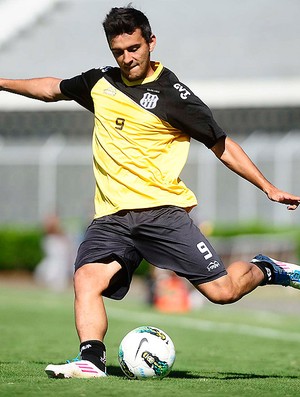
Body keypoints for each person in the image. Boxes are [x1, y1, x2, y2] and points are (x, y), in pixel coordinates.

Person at [1, 6, 300, 379]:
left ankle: (268, 268)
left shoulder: (175, 97)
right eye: (119, 52)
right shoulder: (100, 83)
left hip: (162, 213)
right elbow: (50, 89)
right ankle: (91, 360)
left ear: (151, 43)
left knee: (223, 292)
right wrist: (2, 82)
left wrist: (267, 187)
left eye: (134, 48)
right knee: (86, 279)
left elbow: (222, 145)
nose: (127, 58)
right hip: (111, 217)